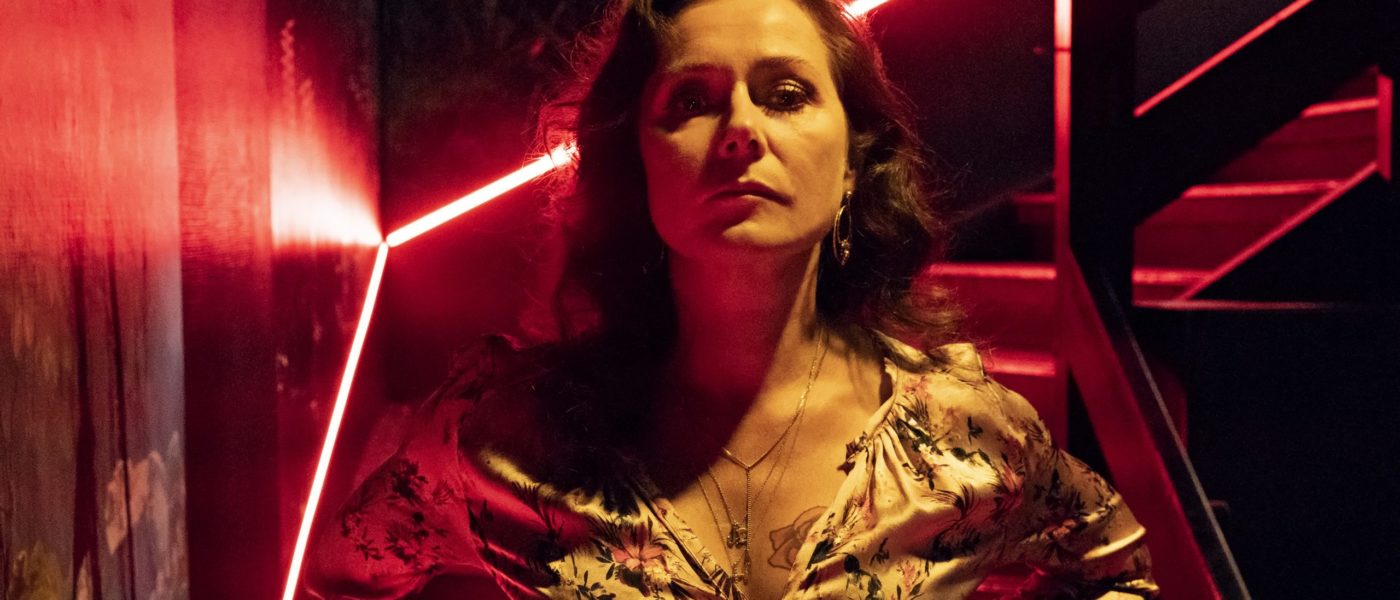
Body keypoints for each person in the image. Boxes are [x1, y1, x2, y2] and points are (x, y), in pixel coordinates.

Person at [305, 0, 1158, 598]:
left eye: (786, 94)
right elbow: (342, 578)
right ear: (635, 164)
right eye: (692, 101)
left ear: (853, 162)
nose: (743, 130)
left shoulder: (964, 439)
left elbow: (1117, 570)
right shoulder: (508, 437)